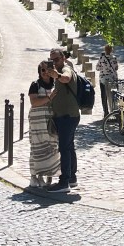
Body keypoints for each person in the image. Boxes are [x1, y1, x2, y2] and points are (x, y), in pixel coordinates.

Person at [47, 47, 80, 192]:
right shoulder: (57, 73)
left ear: (63, 58)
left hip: (67, 116)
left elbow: (66, 78)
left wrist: (57, 75)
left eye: (57, 59)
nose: (54, 62)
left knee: (64, 149)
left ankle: (64, 182)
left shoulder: (67, 69)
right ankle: (72, 178)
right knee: (69, 147)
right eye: (52, 59)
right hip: (64, 115)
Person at [27, 61, 61, 188]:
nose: (46, 72)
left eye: (48, 70)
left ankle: (49, 176)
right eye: (43, 70)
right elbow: (34, 102)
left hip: (50, 120)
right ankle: (35, 176)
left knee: (51, 146)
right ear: (39, 72)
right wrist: (49, 98)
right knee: (37, 147)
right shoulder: (35, 85)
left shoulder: (55, 84)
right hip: (37, 121)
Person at [96, 44, 119, 117]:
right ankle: (114, 111)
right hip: (112, 79)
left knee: (104, 95)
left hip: (103, 79)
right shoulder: (114, 58)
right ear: (111, 50)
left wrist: (104, 68)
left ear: (105, 50)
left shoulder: (102, 58)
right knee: (113, 95)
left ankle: (106, 112)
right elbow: (116, 68)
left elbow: (97, 68)